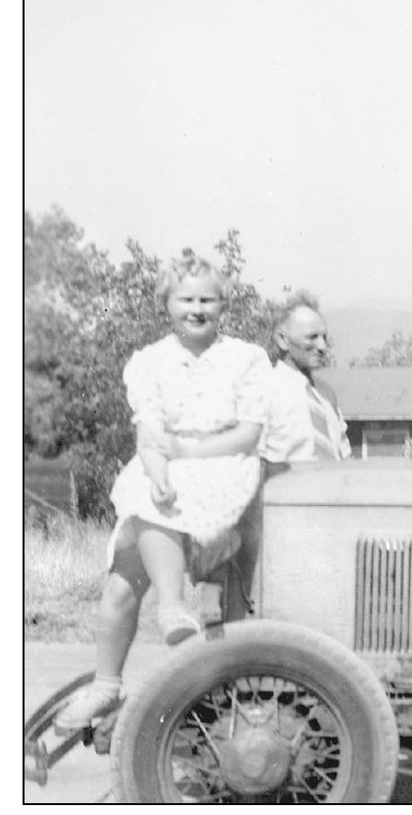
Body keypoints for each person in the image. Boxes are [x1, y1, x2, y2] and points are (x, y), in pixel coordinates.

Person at [56, 252, 272, 731]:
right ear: (166, 303)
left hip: (223, 466)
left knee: (217, 579)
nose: (197, 309)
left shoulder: (246, 358)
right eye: (186, 299)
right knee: (119, 586)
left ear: (223, 305)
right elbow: (149, 436)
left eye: (208, 300)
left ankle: (190, 629)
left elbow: (249, 434)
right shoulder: (149, 362)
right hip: (166, 468)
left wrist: (185, 454)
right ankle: (108, 684)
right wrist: (156, 468)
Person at [260, 290, 351, 463]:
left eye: (324, 337)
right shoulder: (264, 391)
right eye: (312, 337)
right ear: (282, 340)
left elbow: (344, 455)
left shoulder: (326, 394)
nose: (322, 346)